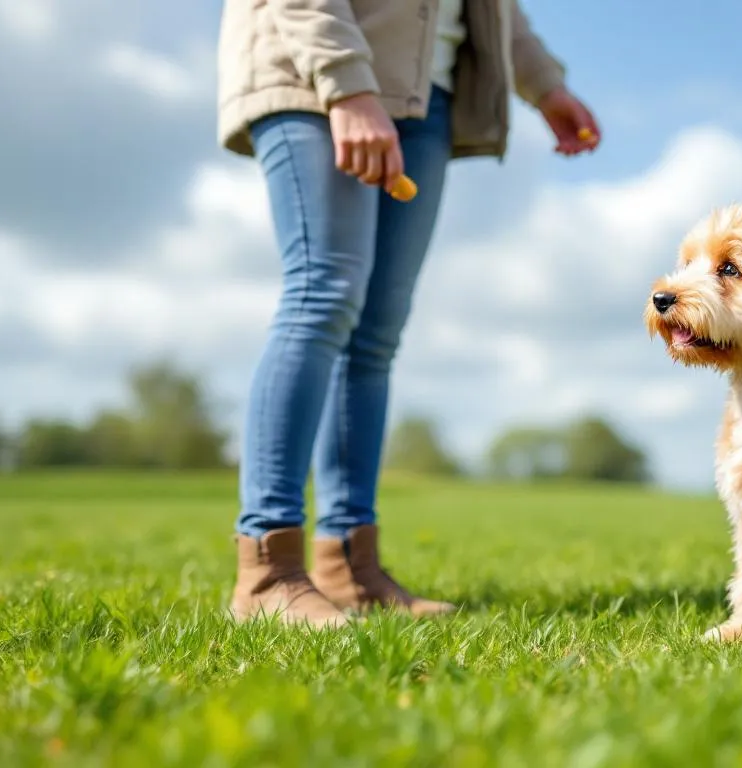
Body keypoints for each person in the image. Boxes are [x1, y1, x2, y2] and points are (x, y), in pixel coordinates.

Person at [215, 0, 600, 627]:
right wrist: (348, 86)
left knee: (375, 336)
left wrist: (546, 86)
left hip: (426, 93)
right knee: (323, 293)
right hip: (315, 72)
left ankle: (348, 566)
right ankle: (268, 571)